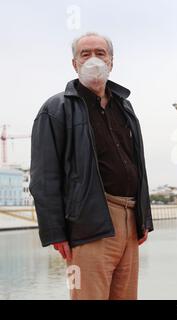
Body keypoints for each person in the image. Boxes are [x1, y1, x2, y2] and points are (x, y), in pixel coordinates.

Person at [30, 32, 153, 300]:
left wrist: (144, 217)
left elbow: (137, 164)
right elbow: (44, 177)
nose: (94, 59)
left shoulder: (125, 106)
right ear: (74, 63)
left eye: (100, 53)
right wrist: (55, 232)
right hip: (89, 222)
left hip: (130, 217)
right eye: (85, 54)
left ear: (111, 61)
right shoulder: (55, 109)